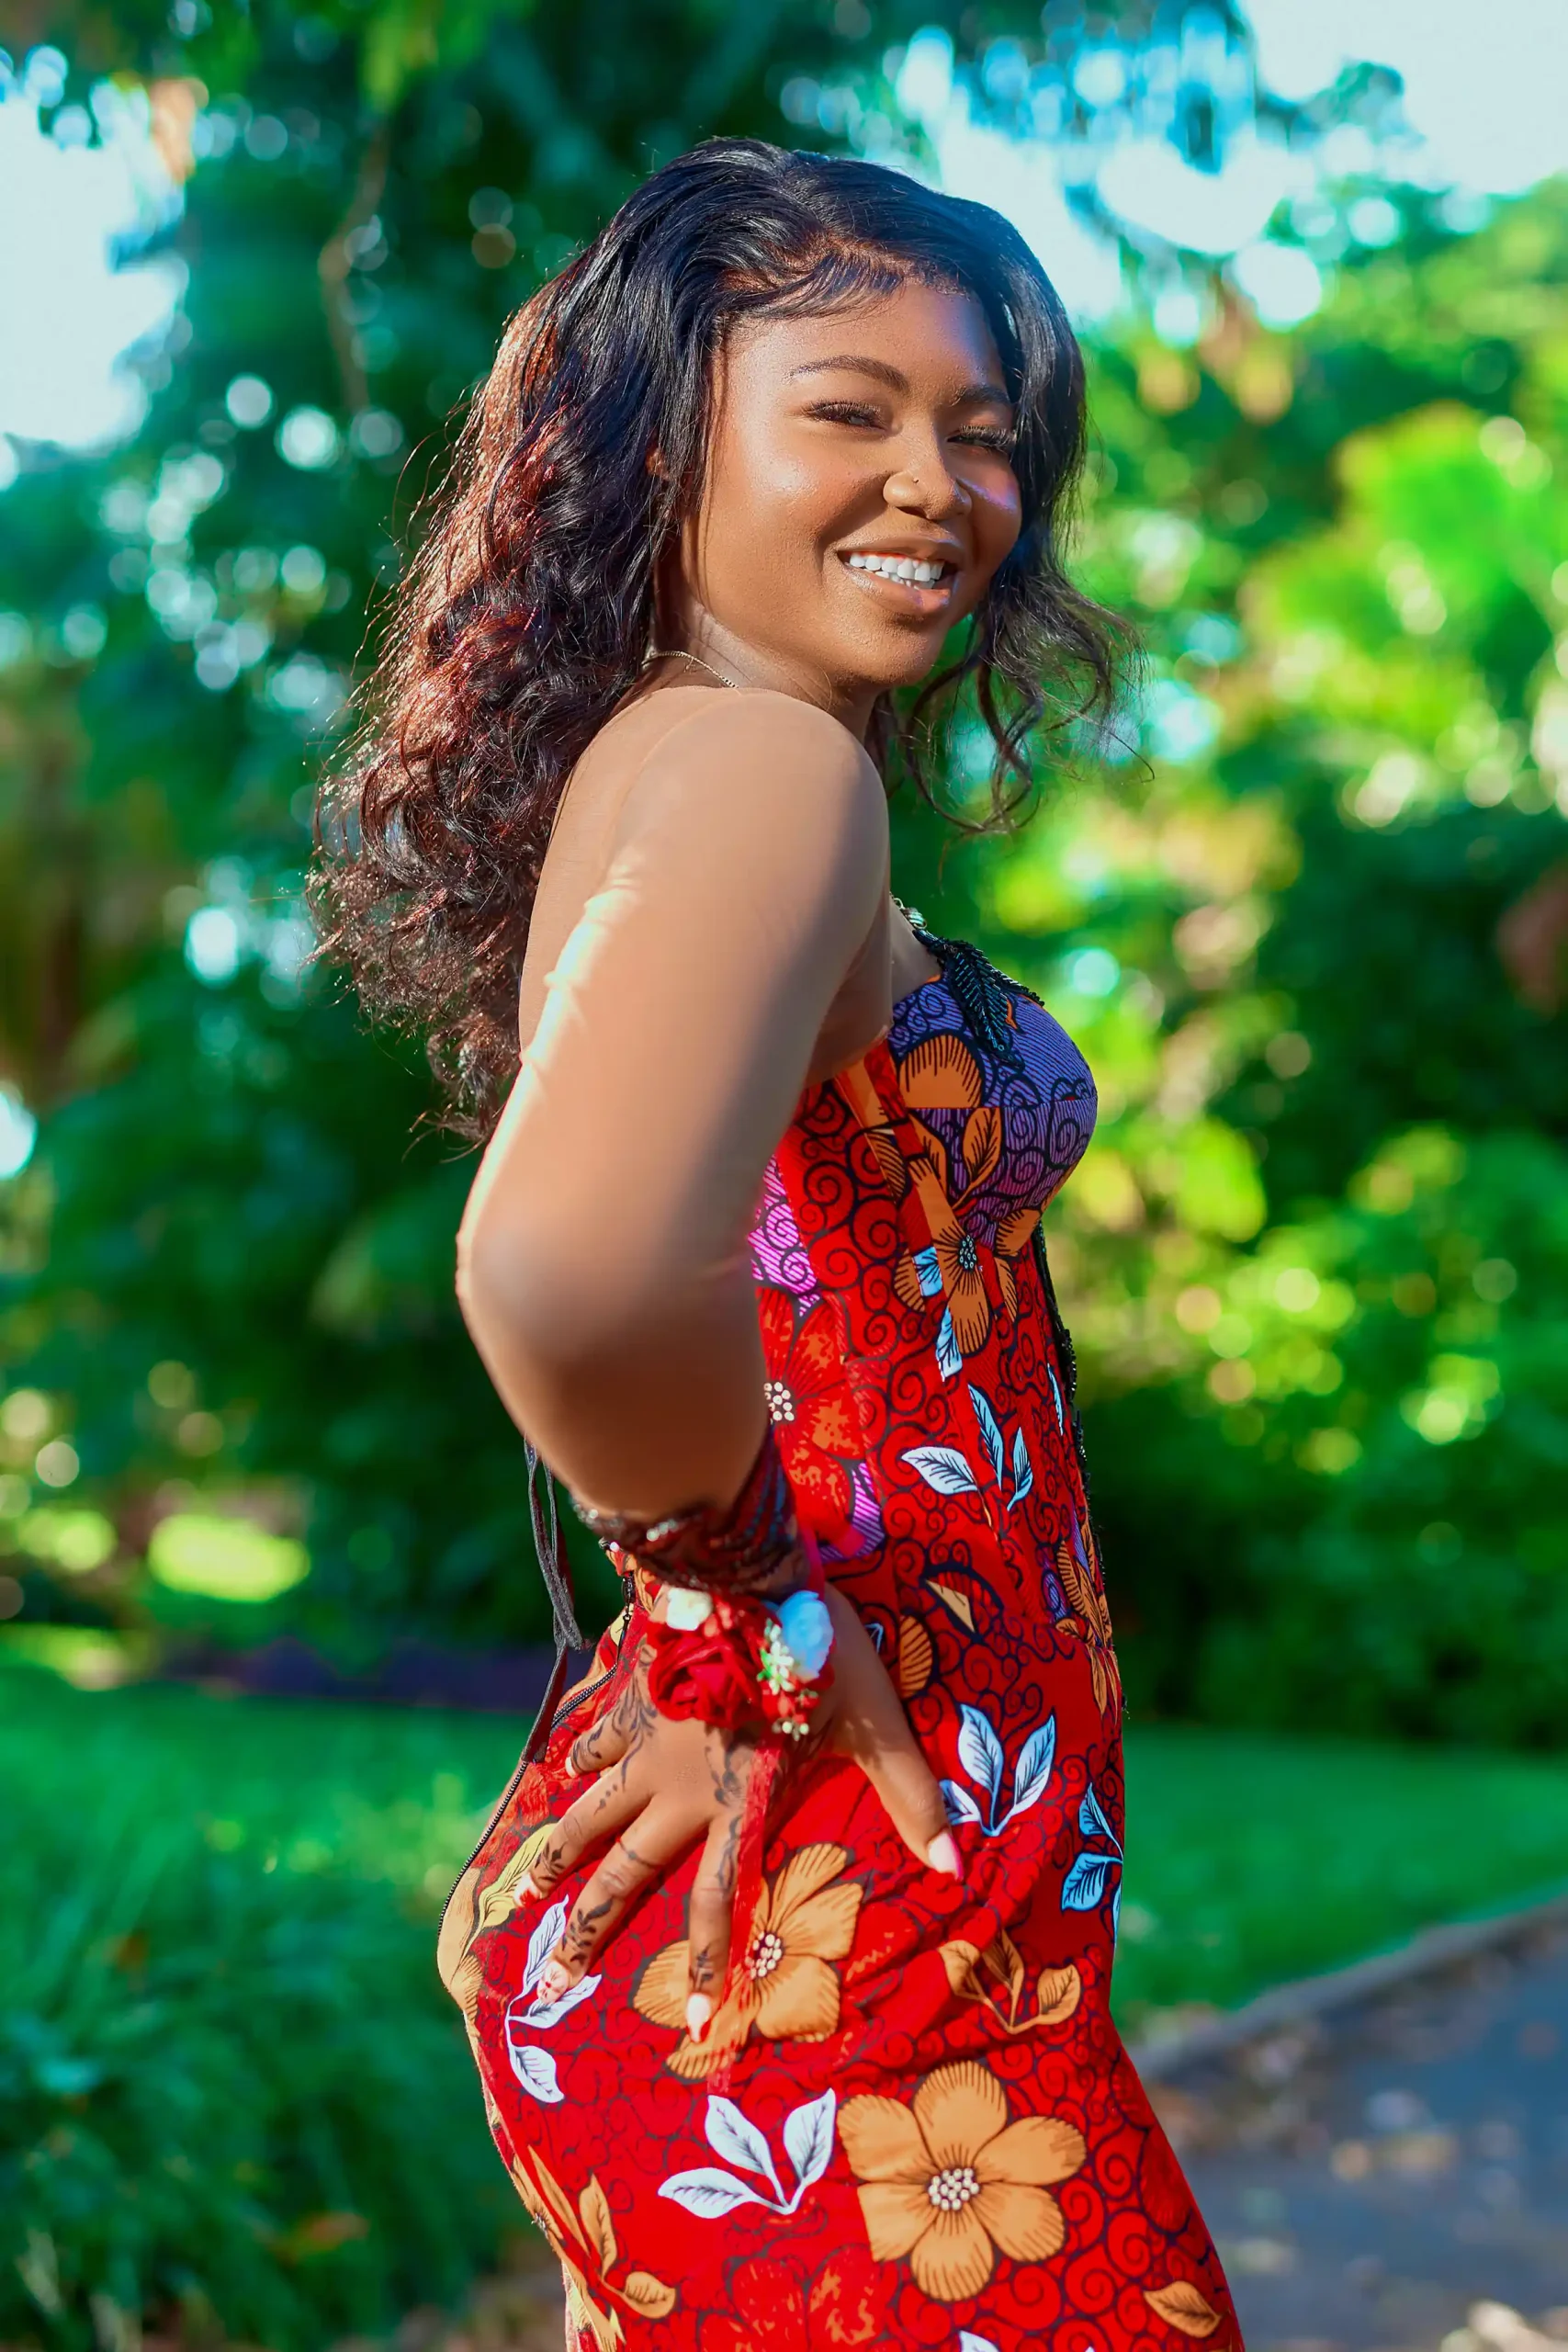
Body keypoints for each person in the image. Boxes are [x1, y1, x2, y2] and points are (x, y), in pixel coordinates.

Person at [317, 137, 1239, 2352]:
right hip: (852, 1972)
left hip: (843, 1942)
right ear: (662, 441)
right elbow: (568, 1266)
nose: (939, 482)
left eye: (982, 433)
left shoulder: (694, 761)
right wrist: (727, 1604)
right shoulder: (761, 772)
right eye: (850, 407)